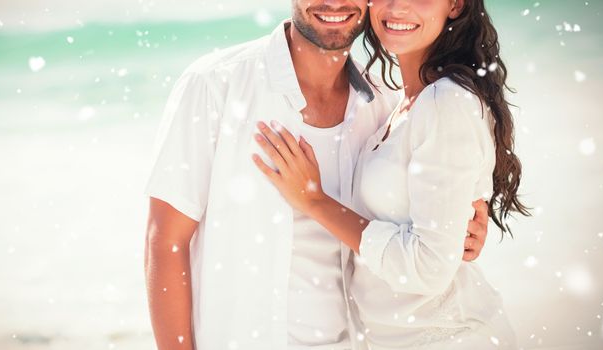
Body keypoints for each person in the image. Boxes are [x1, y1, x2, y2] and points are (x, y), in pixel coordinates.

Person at [144, 1, 490, 349]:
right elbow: (166, 240)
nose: (335, 2)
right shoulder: (216, 85)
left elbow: (424, 232)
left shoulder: (387, 106)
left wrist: (466, 222)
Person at [251, 0, 530, 348]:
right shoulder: (398, 103)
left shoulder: (446, 102)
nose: (399, 7)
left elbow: (428, 268)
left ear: (456, 5)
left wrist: (314, 201)